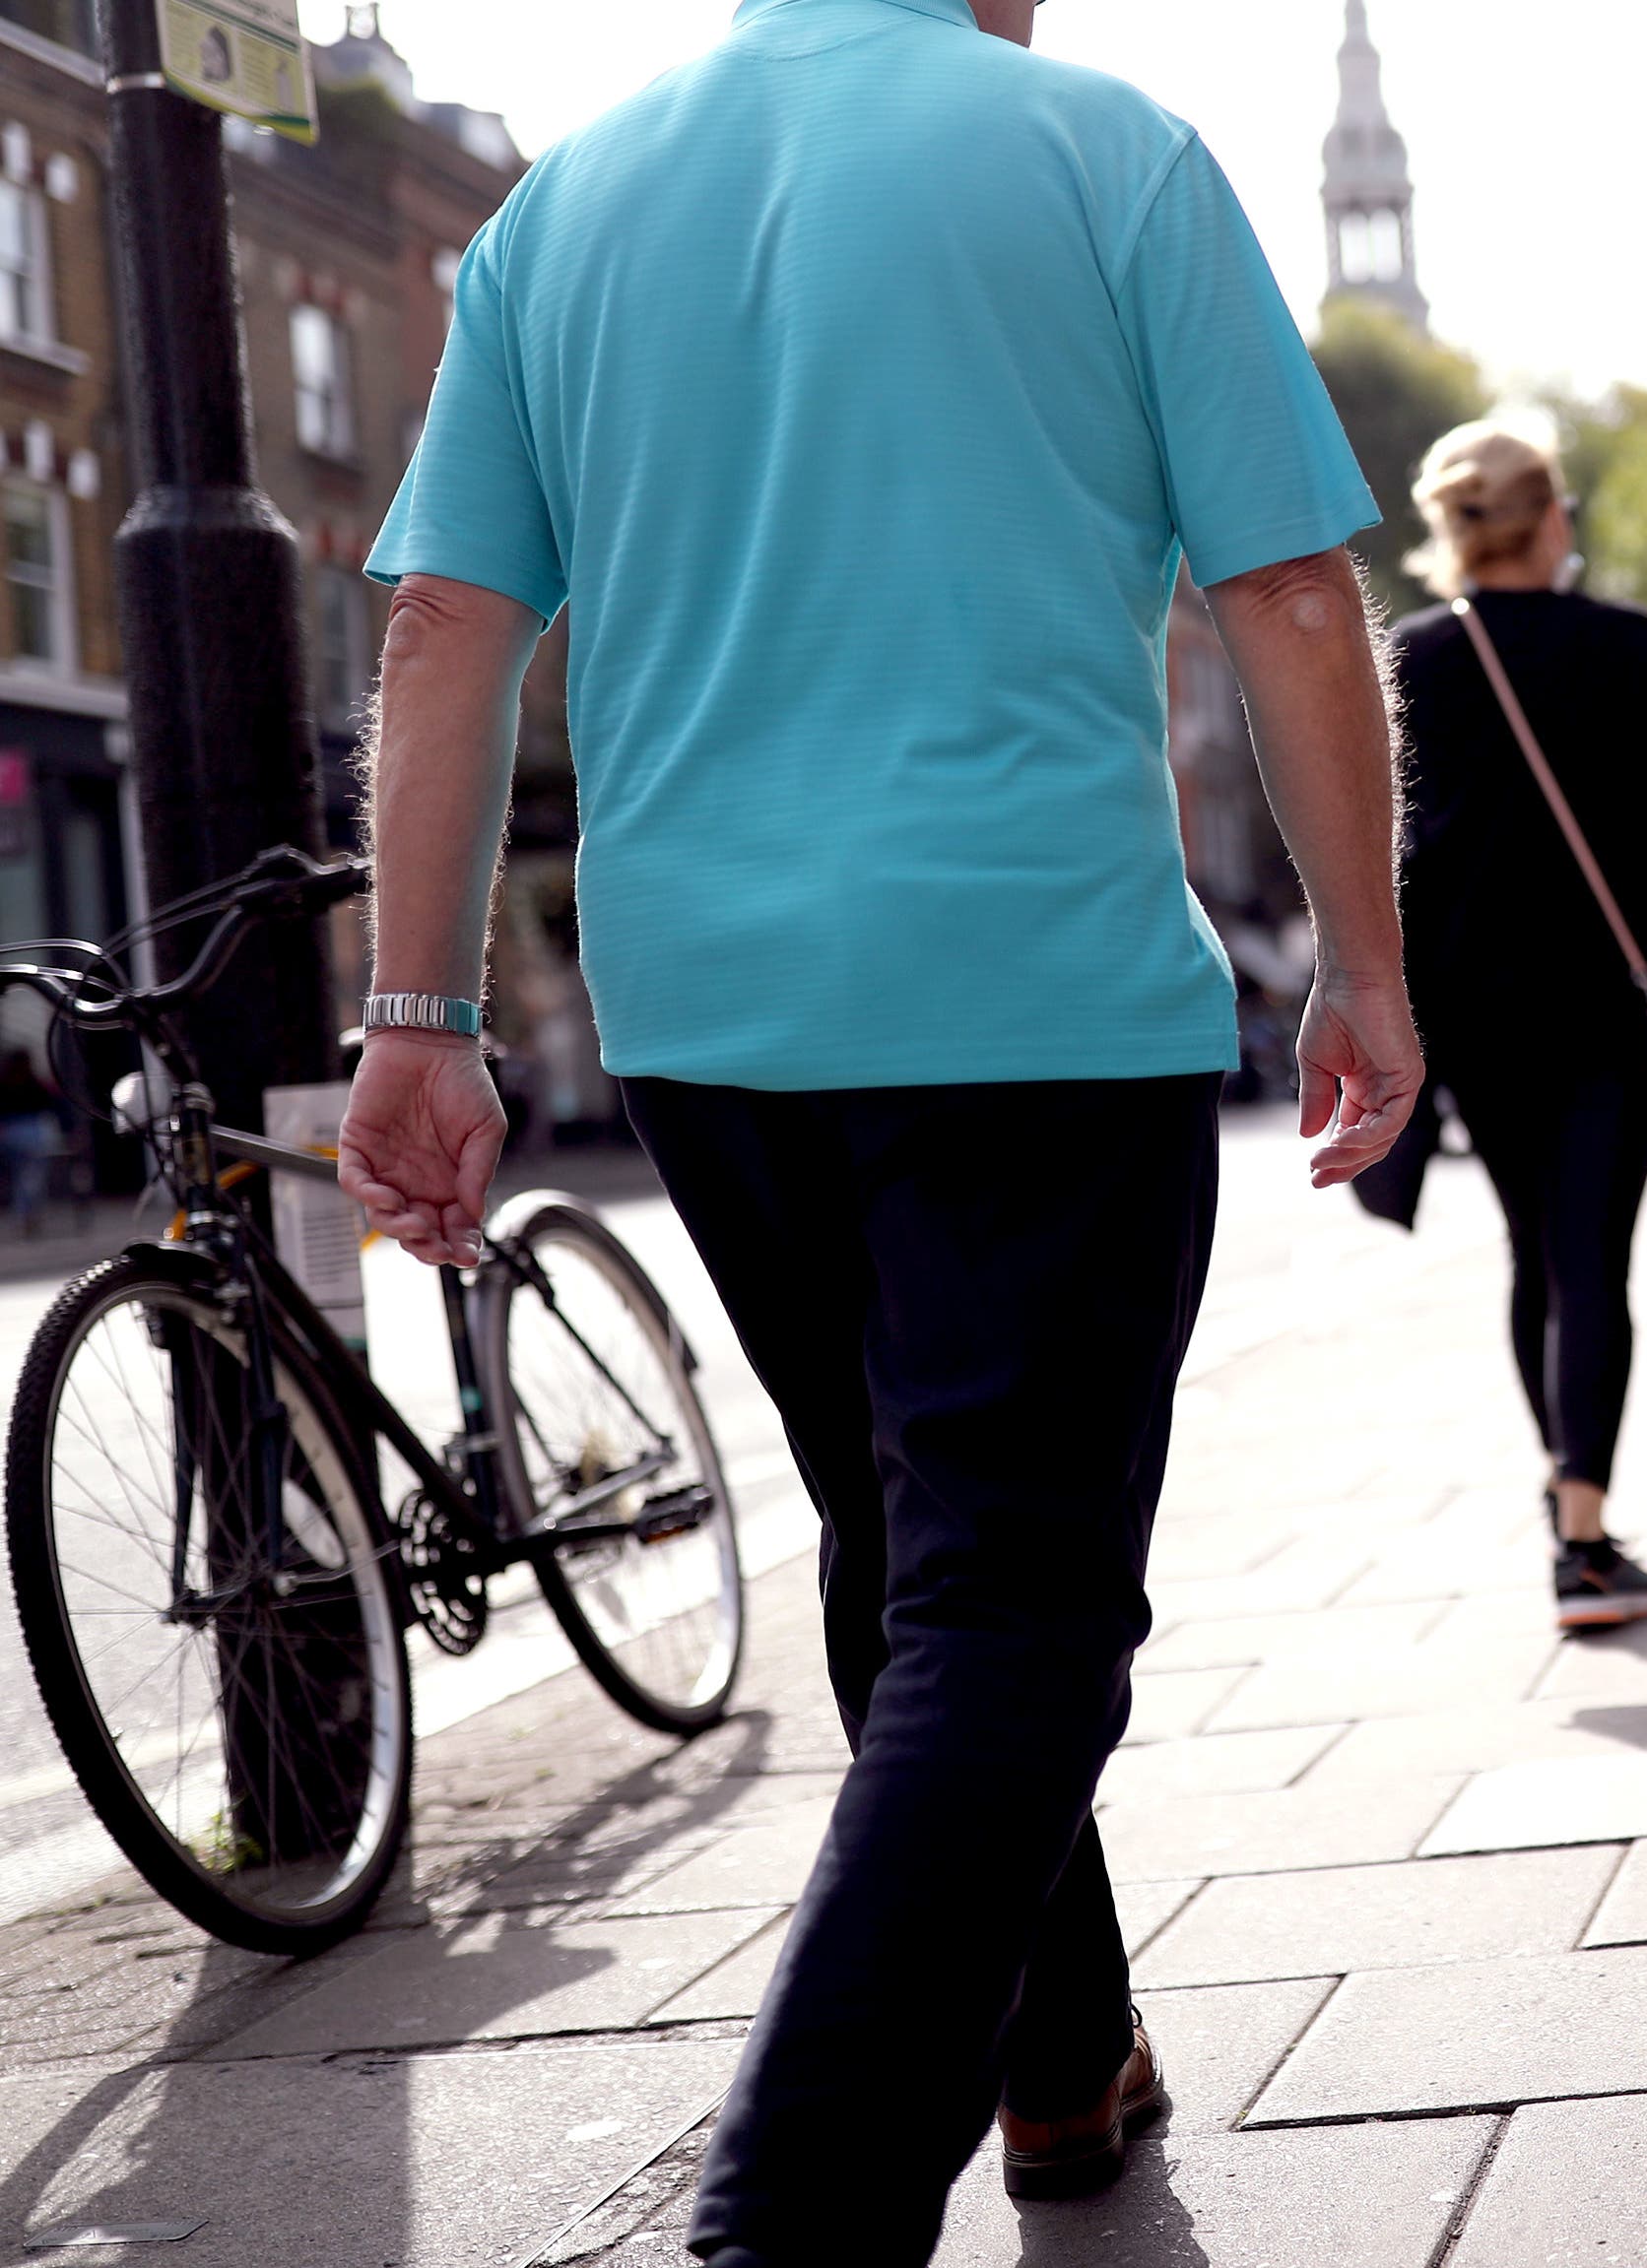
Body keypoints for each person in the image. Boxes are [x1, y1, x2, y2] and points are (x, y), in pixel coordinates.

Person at [335, 4, 1420, 2262]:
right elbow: (1295, 589)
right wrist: (1368, 959)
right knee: (1012, 1603)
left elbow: (448, 623)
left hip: (714, 1028)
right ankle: (796, 2221)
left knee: (919, 1552)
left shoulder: (567, 210)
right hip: (1026, 994)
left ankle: (1057, 2065)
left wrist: (419, 1021)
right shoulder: (1106, 155)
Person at [1389, 421, 1647, 1631]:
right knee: (1589, 1259)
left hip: (1471, 1014)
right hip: (1605, 1008)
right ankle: (1582, 1541)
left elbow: (1383, 842)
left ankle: (1572, 1507)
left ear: (1448, 531)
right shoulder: (1625, 645)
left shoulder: (1407, 660)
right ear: (1553, 518)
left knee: (1533, 1254)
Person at [0, 1046, 65, 1233]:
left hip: (11, 1133)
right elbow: (55, 1107)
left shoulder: (6, 1084)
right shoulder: (36, 1084)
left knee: (21, 1178)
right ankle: (29, 1214)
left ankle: (24, 1214)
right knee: (31, 1178)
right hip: (33, 1134)